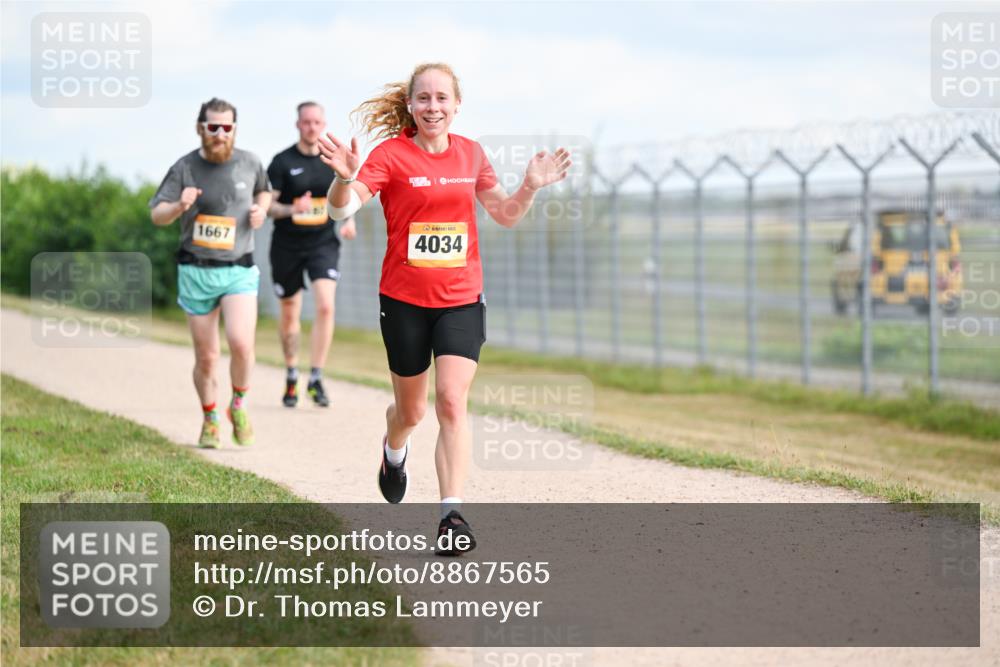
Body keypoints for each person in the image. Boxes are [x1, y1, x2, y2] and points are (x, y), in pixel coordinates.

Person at [318, 63, 570, 554]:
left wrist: (530, 187)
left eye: (441, 98)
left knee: (451, 401)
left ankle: (451, 516)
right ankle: (393, 450)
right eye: (424, 98)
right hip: (403, 302)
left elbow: (505, 214)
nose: (433, 107)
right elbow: (340, 209)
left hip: (460, 299)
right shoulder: (390, 155)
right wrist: (344, 179)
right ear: (410, 105)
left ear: (457, 105)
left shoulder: (471, 153)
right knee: (411, 411)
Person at [150, 98, 272, 448]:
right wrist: (179, 205)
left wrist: (260, 210)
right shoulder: (184, 167)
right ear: (200, 128)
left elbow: (264, 191)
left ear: (235, 129)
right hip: (196, 270)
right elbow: (157, 215)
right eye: (213, 127)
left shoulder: (250, 162)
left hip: (238, 269)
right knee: (207, 357)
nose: (220, 133)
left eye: (227, 127)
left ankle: (238, 404)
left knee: (241, 343)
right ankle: (210, 418)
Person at [267, 101, 356, 408]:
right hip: (287, 246)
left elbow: (345, 194)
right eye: (306, 122)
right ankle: (292, 373)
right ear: (298, 125)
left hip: (322, 243)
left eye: (317, 122)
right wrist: (293, 208)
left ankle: (316, 377)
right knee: (290, 312)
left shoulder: (331, 160)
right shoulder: (281, 162)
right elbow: (268, 206)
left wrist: (349, 220)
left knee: (326, 307)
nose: (312, 127)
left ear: (324, 124)